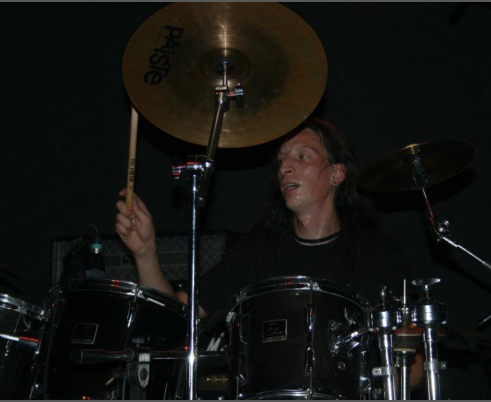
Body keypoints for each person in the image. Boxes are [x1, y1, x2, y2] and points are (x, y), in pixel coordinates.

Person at [115, 117, 424, 395]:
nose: (285, 167)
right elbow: (176, 319)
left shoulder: (379, 253)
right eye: (281, 160)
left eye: (302, 156)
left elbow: (414, 369)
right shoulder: (258, 250)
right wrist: (145, 253)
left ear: (337, 173)